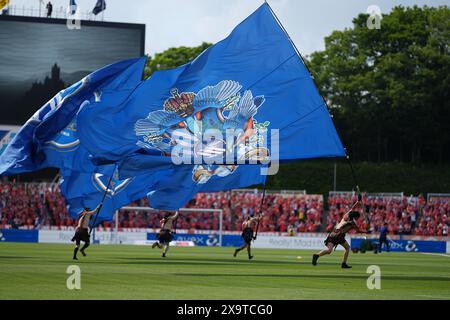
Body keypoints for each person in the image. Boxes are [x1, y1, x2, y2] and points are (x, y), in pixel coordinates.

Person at [312, 201, 366, 268]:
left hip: (333, 233)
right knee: (347, 248)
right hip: (339, 236)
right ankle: (344, 263)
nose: (358, 219)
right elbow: (358, 230)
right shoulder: (352, 223)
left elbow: (352, 208)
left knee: (329, 250)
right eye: (358, 218)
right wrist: (366, 231)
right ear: (355, 217)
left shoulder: (346, 216)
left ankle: (317, 255)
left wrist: (357, 202)